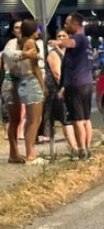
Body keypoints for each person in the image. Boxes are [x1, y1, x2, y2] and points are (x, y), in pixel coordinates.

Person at [50, 13, 94, 160]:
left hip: (77, 85)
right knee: (86, 119)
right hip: (86, 83)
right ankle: (87, 148)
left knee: (77, 120)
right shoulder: (87, 41)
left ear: (75, 25)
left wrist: (57, 43)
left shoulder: (79, 38)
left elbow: (71, 43)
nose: (64, 26)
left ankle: (82, 150)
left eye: (67, 23)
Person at [46, 29, 79, 156]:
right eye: (58, 35)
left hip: (71, 89)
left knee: (73, 118)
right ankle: (74, 148)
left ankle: (78, 147)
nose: (60, 38)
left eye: (63, 35)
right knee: (66, 118)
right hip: (57, 90)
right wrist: (64, 87)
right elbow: (56, 74)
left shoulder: (71, 53)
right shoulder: (54, 54)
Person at [17, 19, 46, 162]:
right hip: (32, 82)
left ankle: (30, 152)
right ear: (33, 30)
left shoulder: (22, 43)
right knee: (36, 120)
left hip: (24, 81)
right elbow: (35, 68)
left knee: (30, 119)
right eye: (38, 28)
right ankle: (30, 154)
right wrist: (43, 85)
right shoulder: (31, 43)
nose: (39, 31)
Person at [1, 20, 28, 163]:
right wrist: (28, 53)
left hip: (23, 84)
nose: (19, 30)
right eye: (16, 27)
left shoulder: (29, 42)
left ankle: (19, 152)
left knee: (21, 119)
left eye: (22, 27)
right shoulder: (11, 43)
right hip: (11, 83)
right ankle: (13, 153)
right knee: (14, 120)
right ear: (13, 31)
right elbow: (10, 54)